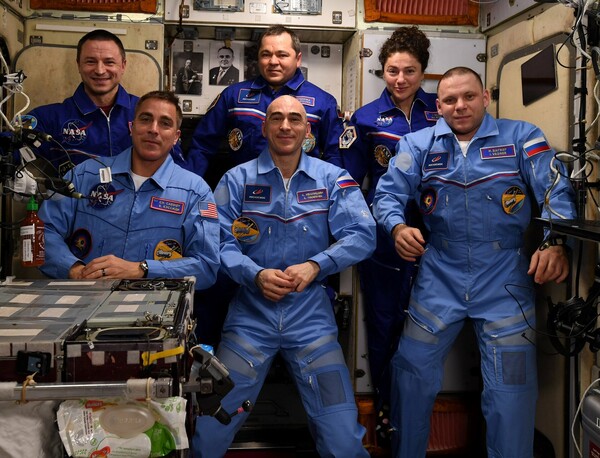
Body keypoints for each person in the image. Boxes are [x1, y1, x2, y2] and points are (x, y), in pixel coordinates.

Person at [373, 66, 577, 457]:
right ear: (438, 107)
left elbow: (555, 190)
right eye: (450, 100)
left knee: (511, 389)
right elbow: (387, 196)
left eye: (469, 96)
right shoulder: (417, 144)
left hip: (504, 277)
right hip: (439, 273)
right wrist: (397, 228)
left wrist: (556, 242)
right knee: (410, 374)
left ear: (485, 97)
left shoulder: (522, 137)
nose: (460, 106)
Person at [191, 95, 376, 457]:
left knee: (343, 441)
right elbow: (216, 242)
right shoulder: (236, 179)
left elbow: (363, 235)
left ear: (308, 130)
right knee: (206, 433)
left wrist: (317, 265)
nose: (285, 126)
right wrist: (254, 274)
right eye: (276, 118)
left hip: (311, 319)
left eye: (295, 119)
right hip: (250, 319)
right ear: (264, 128)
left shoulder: (332, 179)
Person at [339, 26, 438, 432]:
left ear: (423, 72)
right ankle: (386, 410)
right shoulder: (365, 119)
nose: (400, 79)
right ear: (382, 71)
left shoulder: (442, 112)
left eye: (409, 71)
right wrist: (363, 229)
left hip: (436, 233)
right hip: (384, 236)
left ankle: (416, 411)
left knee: (428, 324)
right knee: (384, 323)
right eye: (392, 71)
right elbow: (348, 184)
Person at [38, 91, 220, 290]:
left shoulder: (195, 192)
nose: (153, 129)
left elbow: (206, 266)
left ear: (176, 137)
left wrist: (142, 269)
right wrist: (74, 270)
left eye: (165, 123)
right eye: (145, 119)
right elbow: (42, 232)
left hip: (153, 307)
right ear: (132, 128)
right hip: (83, 298)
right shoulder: (84, 175)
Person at [11, 29, 186, 175]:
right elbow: (8, 152)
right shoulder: (50, 118)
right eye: (90, 62)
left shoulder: (149, 114)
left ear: (123, 65)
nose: (100, 70)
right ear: (79, 65)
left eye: (109, 62)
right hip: (74, 205)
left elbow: (179, 173)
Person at [186, 24, 344, 178]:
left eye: (282, 55)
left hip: (302, 192)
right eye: (266, 54)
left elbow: (335, 156)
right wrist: (190, 189)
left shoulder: (323, 102)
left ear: (298, 59)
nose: (273, 61)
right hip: (244, 189)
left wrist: (335, 193)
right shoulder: (233, 96)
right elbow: (202, 146)